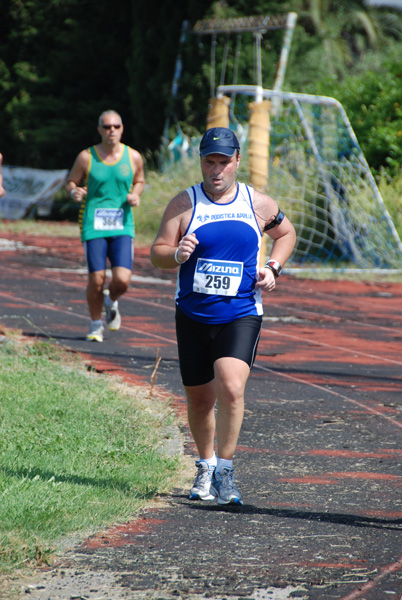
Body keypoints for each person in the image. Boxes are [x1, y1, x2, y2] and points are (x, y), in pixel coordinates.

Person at [150, 126, 296, 506]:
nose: (216, 170)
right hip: (193, 314)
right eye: (209, 162)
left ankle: (226, 471)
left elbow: (287, 233)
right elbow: (157, 252)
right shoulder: (184, 204)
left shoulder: (256, 202)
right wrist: (177, 254)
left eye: (223, 162)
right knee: (199, 398)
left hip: (241, 312)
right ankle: (205, 465)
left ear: (237, 162)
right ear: (201, 161)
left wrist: (273, 267)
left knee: (231, 386)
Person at [66, 110, 145, 342]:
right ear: (99, 129)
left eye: (116, 126)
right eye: (107, 127)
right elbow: (71, 181)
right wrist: (74, 191)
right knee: (97, 279)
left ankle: (111, 302)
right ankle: (95, 325)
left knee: (122, 280)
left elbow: (139, 180)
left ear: (122, 129)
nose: (112, 130)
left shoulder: (133, 156)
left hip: (122, 225)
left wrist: (135, 194)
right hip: (94, 224)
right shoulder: (86, 156)